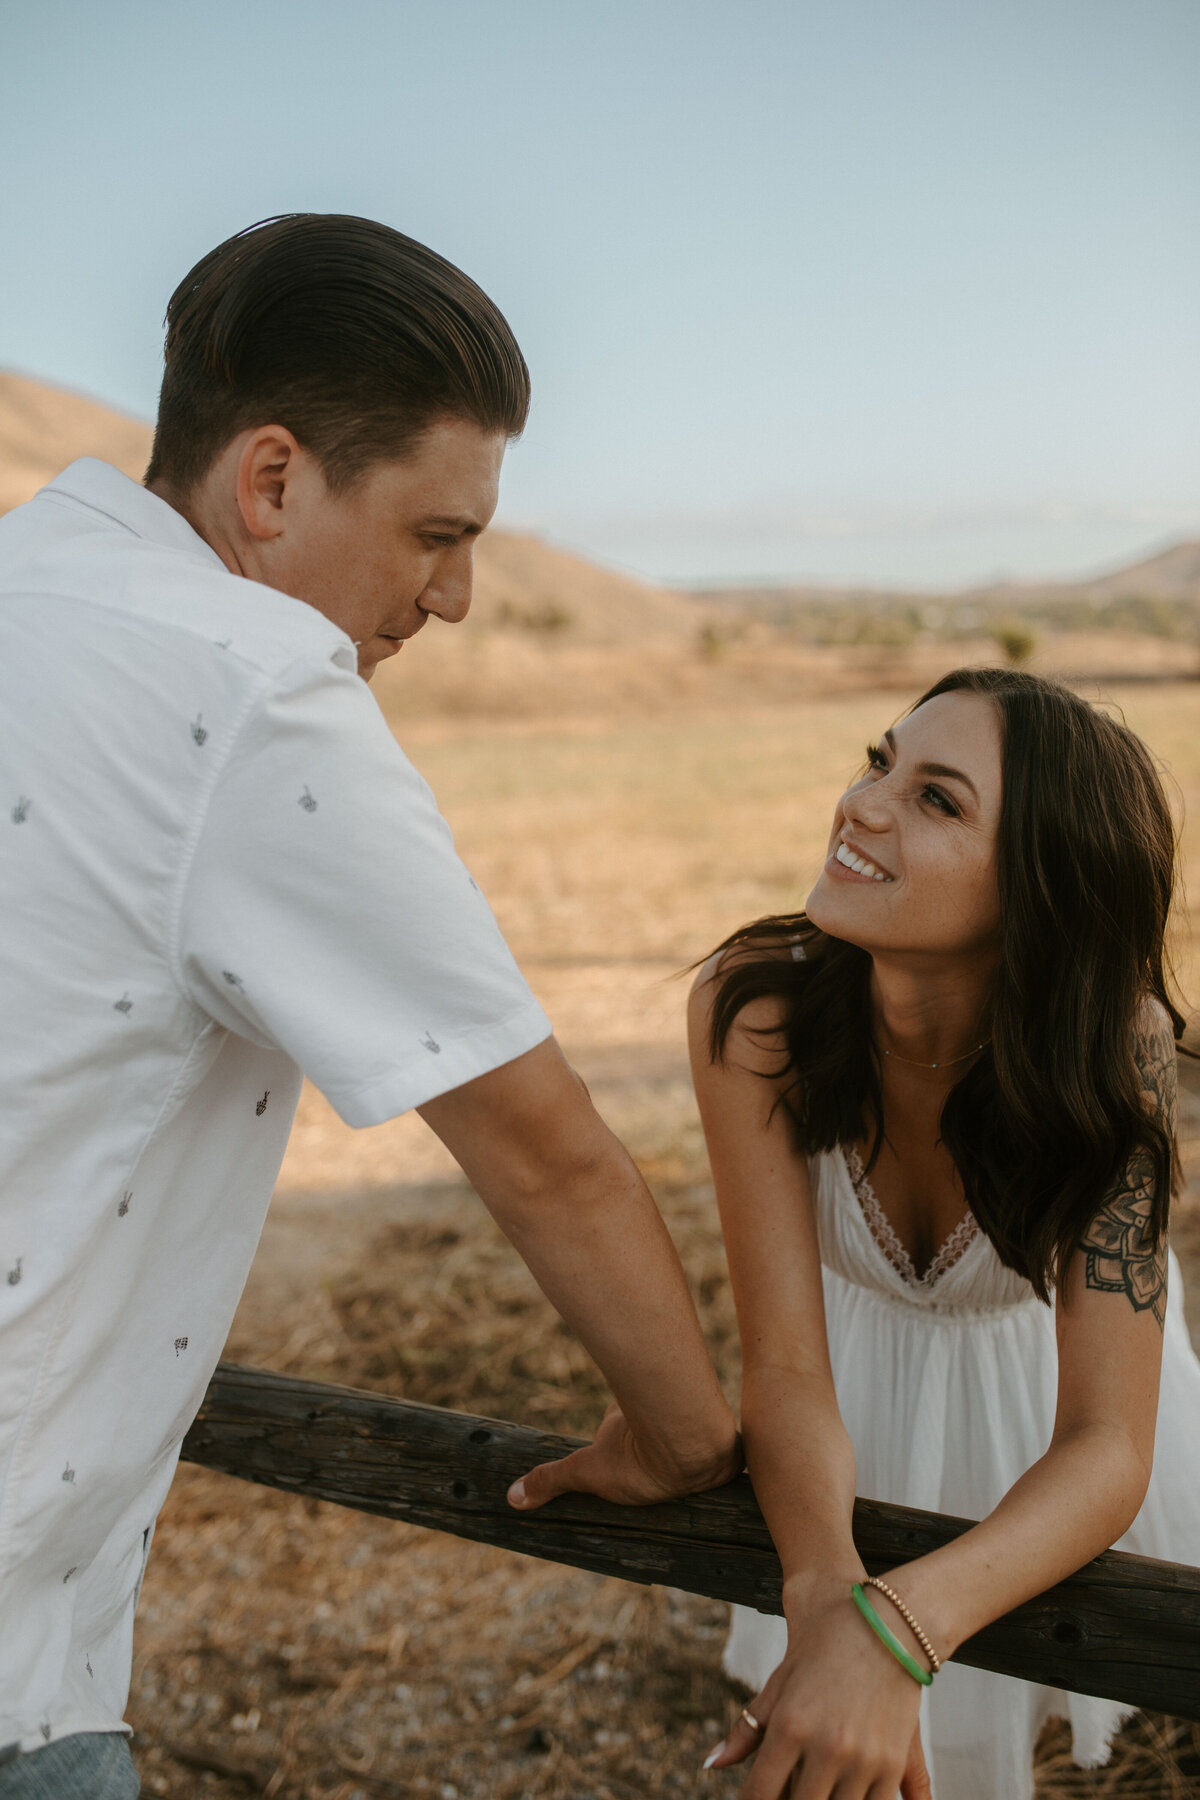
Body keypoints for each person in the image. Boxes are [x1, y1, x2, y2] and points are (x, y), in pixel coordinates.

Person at [0, 214, 739, 1798]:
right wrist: (684, 1443)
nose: (458, 596)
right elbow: (541, 1148)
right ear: (270, 482)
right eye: (433, 534)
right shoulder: (253, 690)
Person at [690, 667, 1200, 1800]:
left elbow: (1110, 1443)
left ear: (1040, 890)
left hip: (1050, 1414)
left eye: (938, 799)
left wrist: (898, 1625)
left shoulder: (1115, 1052)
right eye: (881, 762)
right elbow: (781, 1363)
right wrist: (829, 1595)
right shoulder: (754, 1010)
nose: (862, 804)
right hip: (844, 1407)